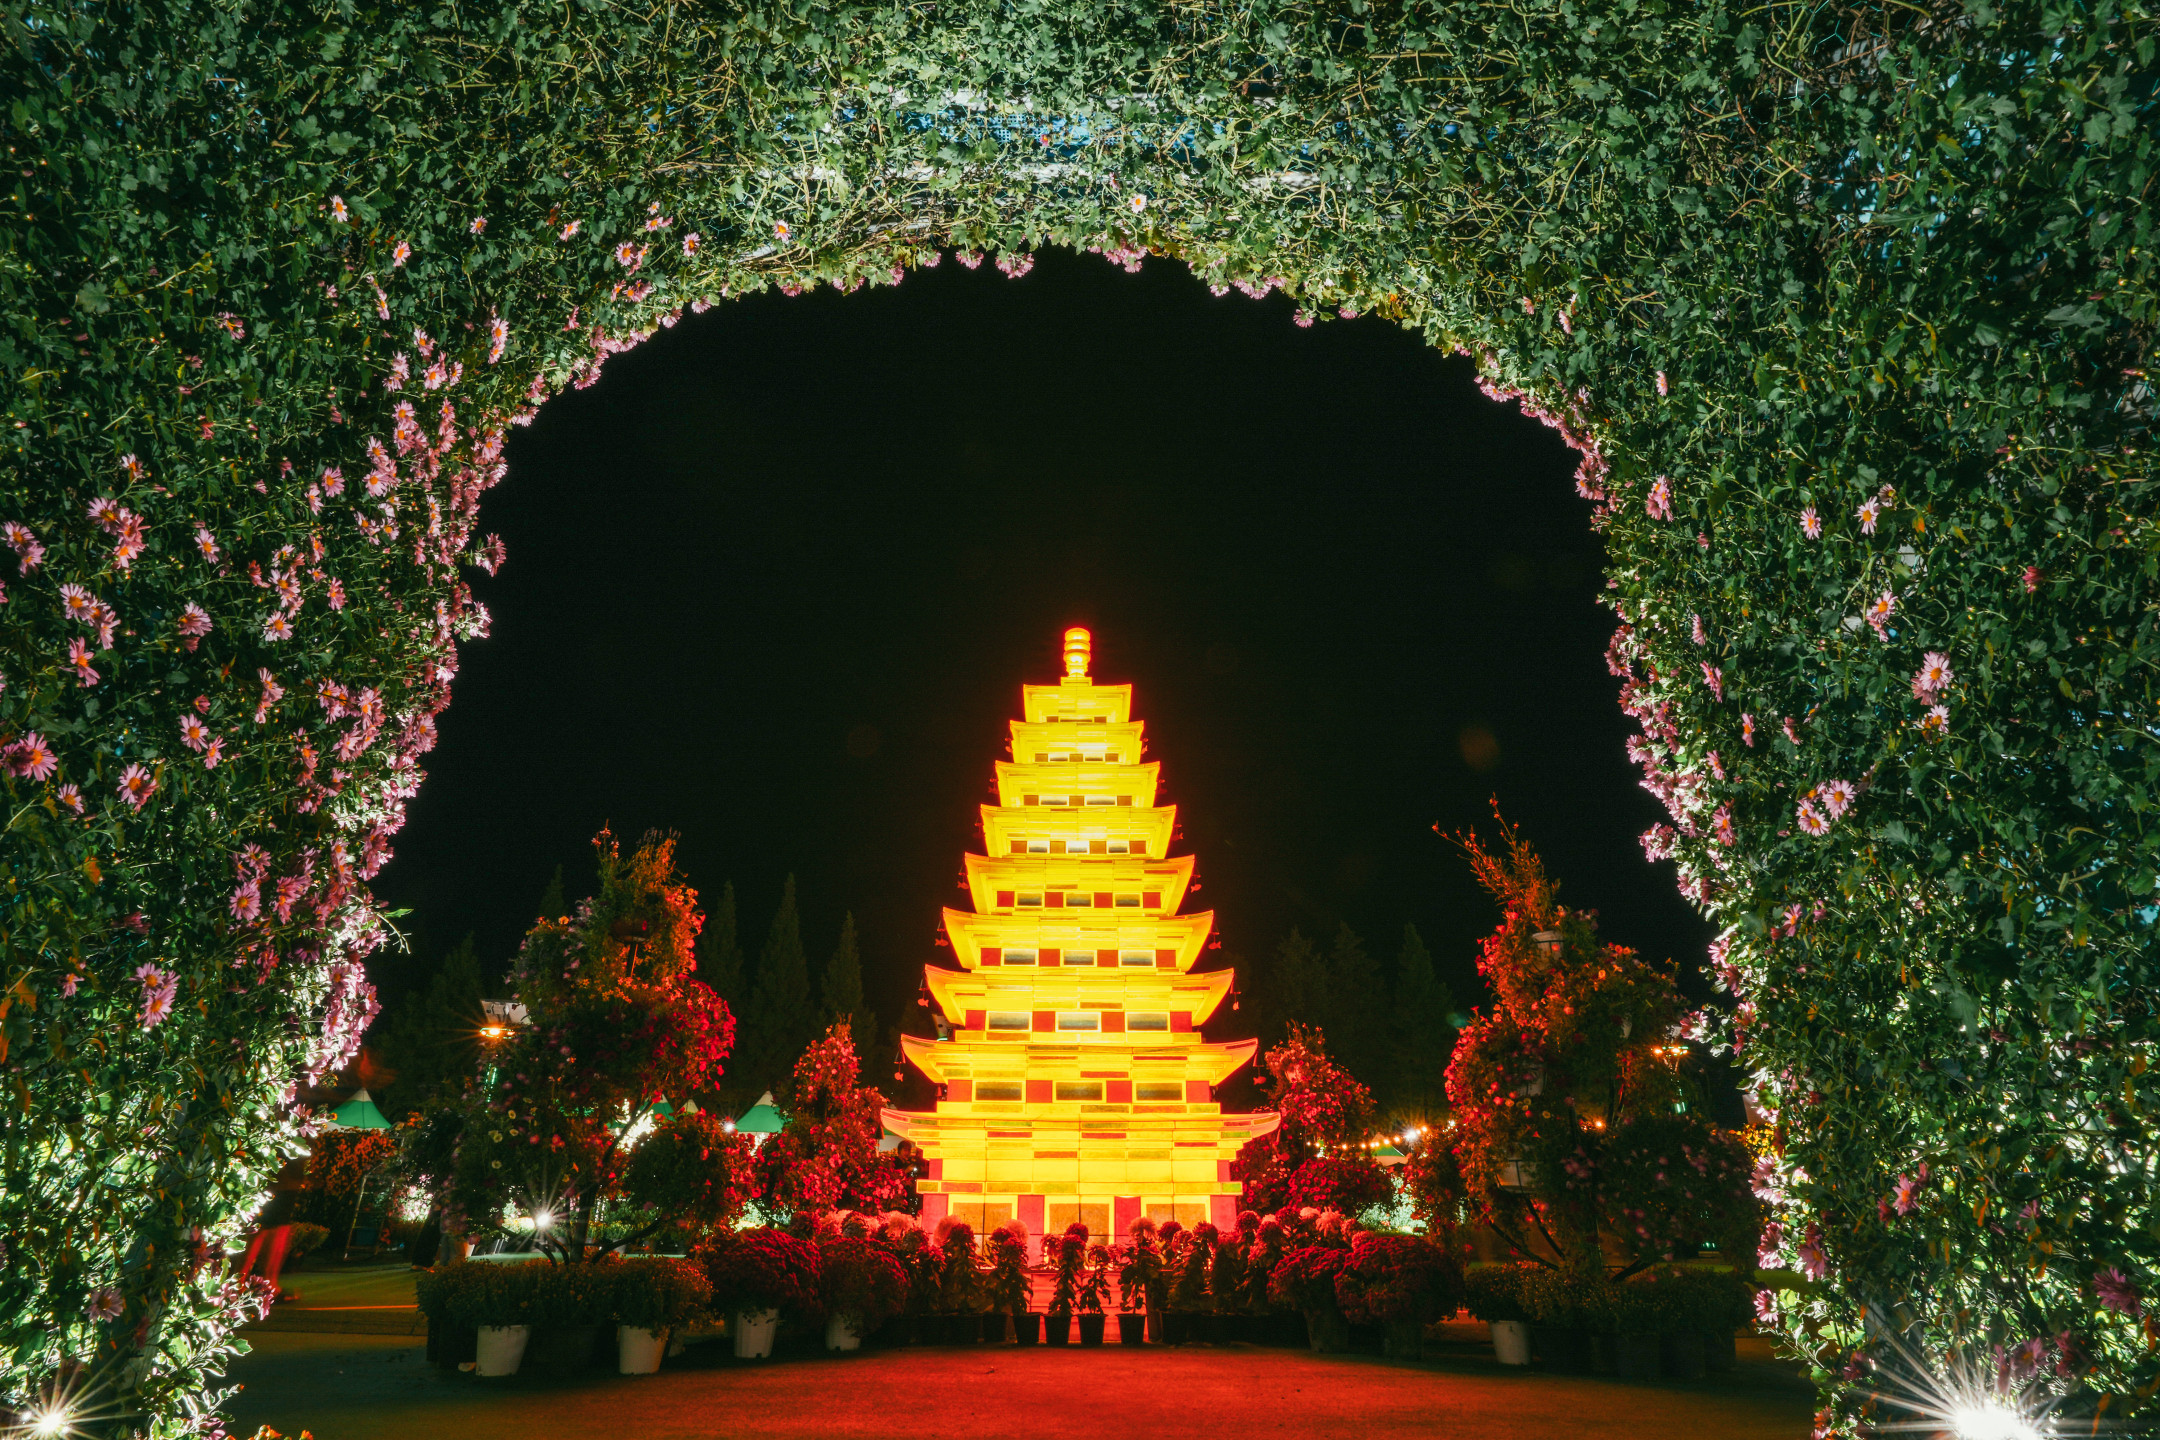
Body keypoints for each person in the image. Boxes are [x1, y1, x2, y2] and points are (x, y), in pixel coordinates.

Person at [233, 1154, 309, 1301]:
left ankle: (243, 1283)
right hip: (281, 1175)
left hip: (278, 1174)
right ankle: (262, 1285)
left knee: (266, 1226)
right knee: (271, 1227)